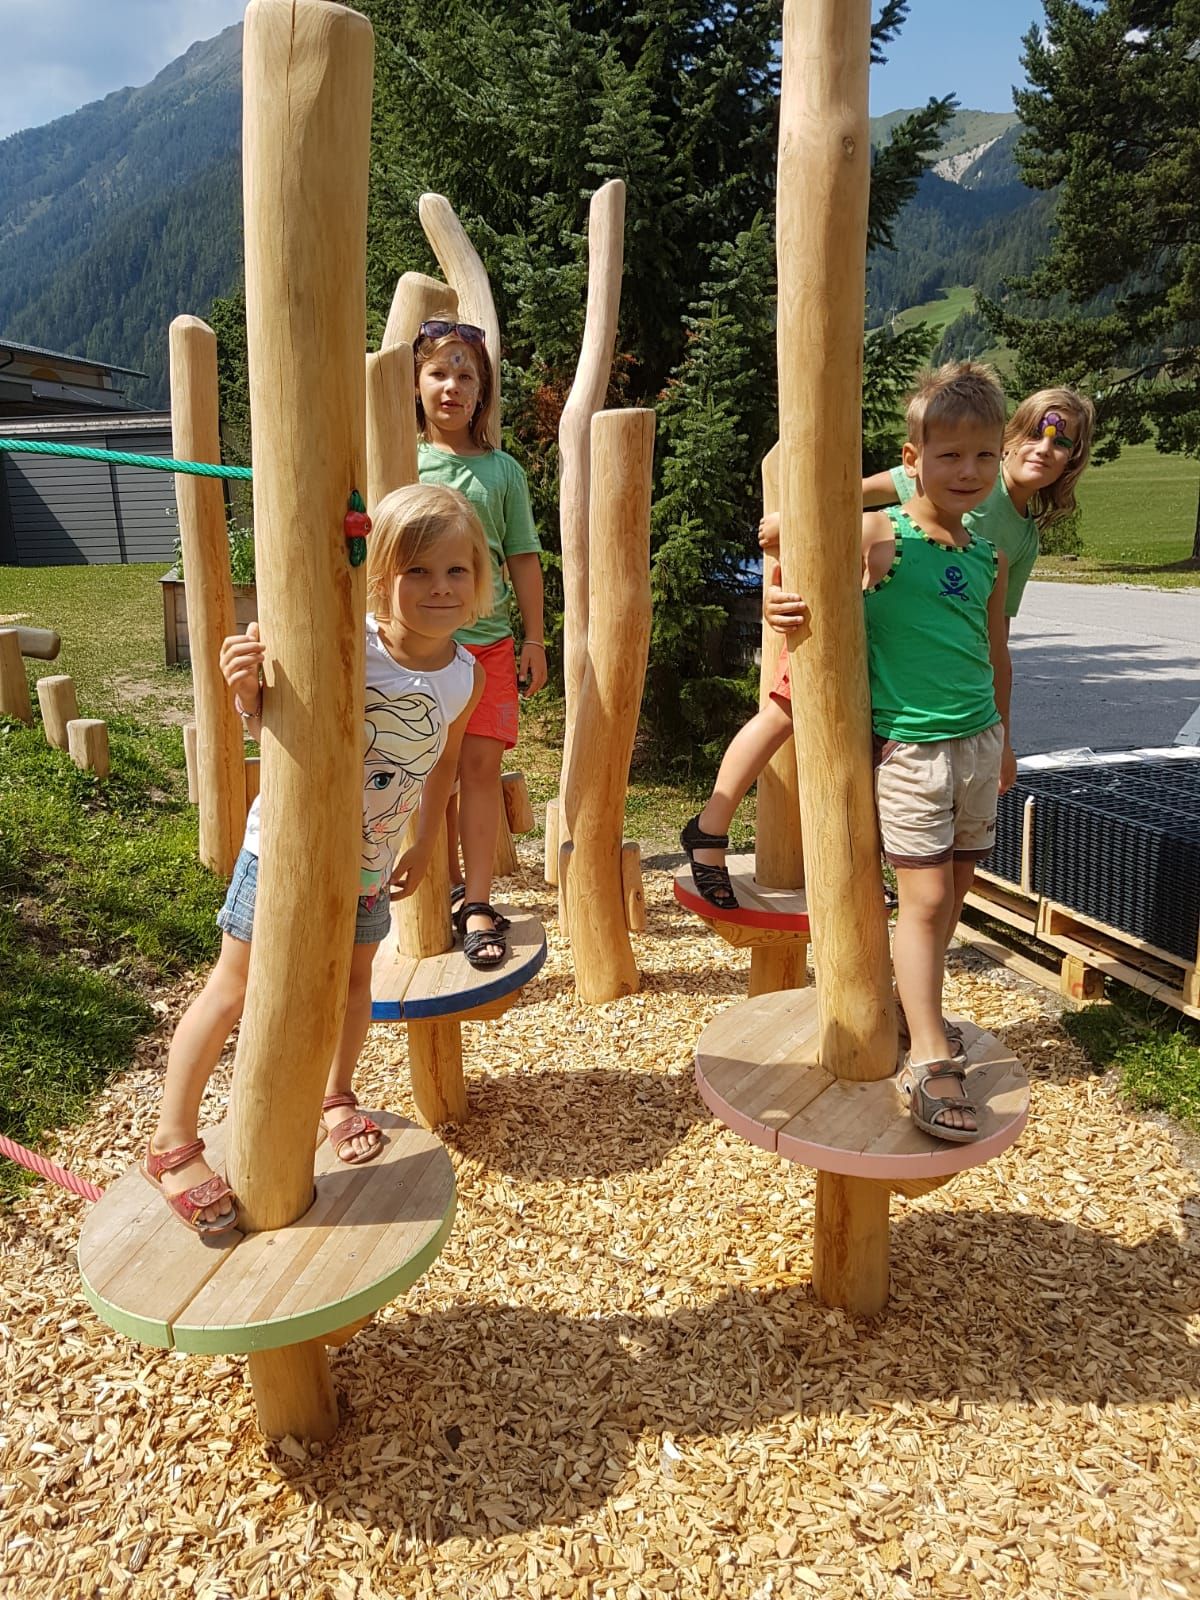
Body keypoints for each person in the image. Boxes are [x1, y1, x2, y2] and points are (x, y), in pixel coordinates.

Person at [142, 484, 490, 1233]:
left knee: (355, 983)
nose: (438, 588)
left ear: (477, 580)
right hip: (283, 854)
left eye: (455, 572)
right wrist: (246, 689)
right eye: (417, 571)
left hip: (368, 865)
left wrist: (427, 845)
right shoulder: (345, 641)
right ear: (382, 576)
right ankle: (172, 1140)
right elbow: (275, 715)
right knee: (234, 988)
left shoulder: (465, 674)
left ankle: (337, 1093)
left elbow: (444, 766)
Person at [680, 385, 1093, 909]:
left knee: (877, 754)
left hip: (916, 673)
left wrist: (1004, 735)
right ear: (1010, 440)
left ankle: (863, 865)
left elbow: (996, 640)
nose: (1043, 449)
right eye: (1034, 434)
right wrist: (797, 522)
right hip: (860, 622)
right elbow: (850, 496)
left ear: (1072, 460)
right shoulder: (953, 461)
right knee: (787, 709)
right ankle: (710, 829)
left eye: (1061, 444)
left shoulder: (1019, 537)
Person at [767, 361, 1015, 1143]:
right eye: (948, 455)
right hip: (912, 750)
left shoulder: (988, 556)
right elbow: (794, 549)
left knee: (956, 896)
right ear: (911, 462)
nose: (968, 472)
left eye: (983, 456)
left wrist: (1008, 739)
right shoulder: (883, 534)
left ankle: (918, 1011)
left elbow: (996, 653)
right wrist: (779, 590)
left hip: (979, 746)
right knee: (928, 901)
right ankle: (932, 1056)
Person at [412, 320, 546, 969]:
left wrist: (536, 638)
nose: (452, 387)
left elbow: (522, 557)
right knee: (426, 772)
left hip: (489, 648)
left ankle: (478, 901)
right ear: (415, 384)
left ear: (482, 391)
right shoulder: (399, 459)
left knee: (479, 773)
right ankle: (427, 890)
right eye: (439, 372)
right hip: (417, 652)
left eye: (467, 375)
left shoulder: (502, 471)